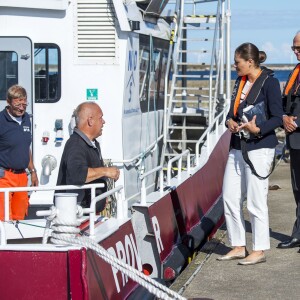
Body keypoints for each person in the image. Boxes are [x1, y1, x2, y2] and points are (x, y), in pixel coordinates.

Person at [217, 43, 283, 265]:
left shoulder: (270, 83)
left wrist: (259, 129)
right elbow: (231, 112)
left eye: (237, 62)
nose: (235, 66)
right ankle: (238, 245)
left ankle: (259, 249)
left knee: (256, 200)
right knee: (229, 196)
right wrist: (230, 122)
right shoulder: (240, 82)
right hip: (237, 146)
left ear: (250, 62)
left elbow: (277, 117)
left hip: (260, 147)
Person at [57, 102, 120, 212]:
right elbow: (78, 174)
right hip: (77, 213)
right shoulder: (76, 144)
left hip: (90, 213)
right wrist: (106, 171)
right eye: (101, 118)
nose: (104, 122)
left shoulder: (93, 143)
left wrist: (102, 196)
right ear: (90, 121)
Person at [0, 84, 39, 220]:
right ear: (9, 102)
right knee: (4, 217)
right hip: (4, 176)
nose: (21, 108)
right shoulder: (1, 120)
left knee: (20, 216)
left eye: (24, 104)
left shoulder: (26, 118)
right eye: (18, 104)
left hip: (22, 176)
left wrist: (33, 171)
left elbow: (24, 146)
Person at [277, 31, 300, 251]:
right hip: (295, 140)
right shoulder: (297, 71)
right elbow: (288, 101)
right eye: (294, 48)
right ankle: (298, 233)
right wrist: (283, 117)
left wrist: (297, 121)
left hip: (297, 131)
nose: (295, 51)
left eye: (299, 48)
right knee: (298, 189)